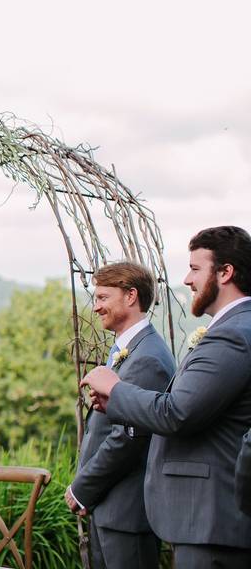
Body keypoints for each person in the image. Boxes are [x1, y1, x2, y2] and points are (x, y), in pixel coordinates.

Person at [83, 226, 251, 568]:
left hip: (212, 519)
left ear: (225, 272)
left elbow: (177, 412)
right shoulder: (232, 329)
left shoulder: (233, 334)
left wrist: (115, 389)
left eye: (195, 268)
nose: (187, 280)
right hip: (205, 520)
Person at [65, 263, 173, 568]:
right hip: (110, 508)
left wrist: (83, 488)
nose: (96, 307)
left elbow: (129, 437)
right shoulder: (127, 350)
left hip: (127, 512)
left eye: (103, 297)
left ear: (130, 296)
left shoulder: (148, 357)